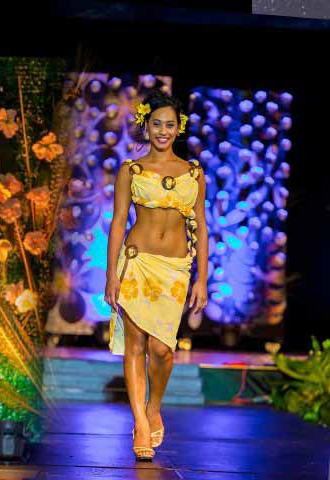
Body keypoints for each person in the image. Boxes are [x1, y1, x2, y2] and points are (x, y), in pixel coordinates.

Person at [104, 90, 208, 462]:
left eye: (170, 124)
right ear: (145, 126)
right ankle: (140, 424)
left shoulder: (193, 172)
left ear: (178, 128)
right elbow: (117, 223)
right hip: (136, 263)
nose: (163, 131)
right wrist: (110, 275)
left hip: (175, 269)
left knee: (162, 350)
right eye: (156, 124)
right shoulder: (131, 170)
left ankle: (153, 406)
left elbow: (202, 224)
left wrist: (202, 278)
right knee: (135, 346)